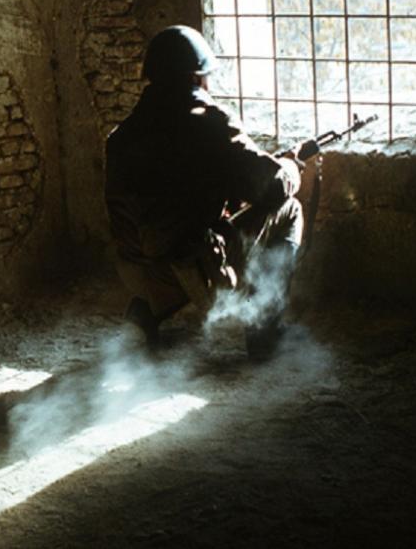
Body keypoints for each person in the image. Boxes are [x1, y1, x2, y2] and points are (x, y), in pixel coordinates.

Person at [104, 25, 304, 360]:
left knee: (164, 236)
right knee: (290, 209)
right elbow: (270, 187)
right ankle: (264, 331)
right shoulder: (210, 122)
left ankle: (146, 315)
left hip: (138, 272)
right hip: (194, 272)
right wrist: (291, 169)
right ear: (196, 77)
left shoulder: (122, 135)